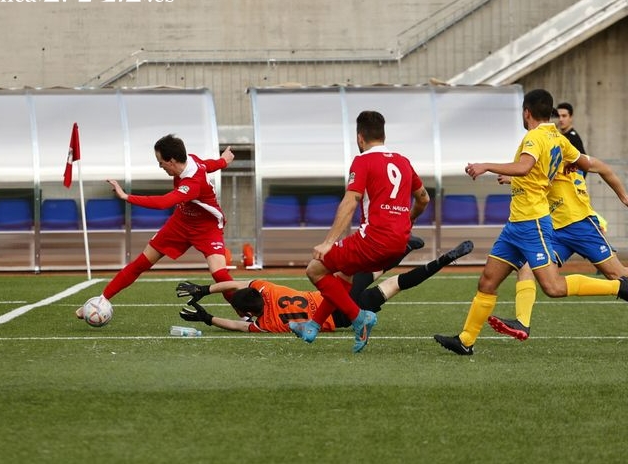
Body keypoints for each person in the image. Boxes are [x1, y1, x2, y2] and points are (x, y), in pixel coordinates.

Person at [433, 88, 628, 356]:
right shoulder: (558, 138)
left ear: (527, 112)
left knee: (553, 287)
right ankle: (466, 340)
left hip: (533, 222)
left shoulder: (534, 137)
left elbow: (524, 167)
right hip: (516, 224)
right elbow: (583, 165)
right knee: (487, 280)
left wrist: (485, 165)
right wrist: (622, 195)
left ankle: (617, 286)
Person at [488, 154, 628, 341]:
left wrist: (624, 197)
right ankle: (522, 323)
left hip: (582, 227)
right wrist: (514, 179)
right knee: (527, 266)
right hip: (555, 231)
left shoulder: (562, 156)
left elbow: (603, 167)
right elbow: (536, 178)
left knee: (619, 274)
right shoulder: (545, 158)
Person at [289, 110, 430, 353]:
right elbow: (424, 199)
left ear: (359, 137)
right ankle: (312, 325)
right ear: (383, 135)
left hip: (373, 240)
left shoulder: (363, 161)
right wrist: (408, 220)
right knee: (344, 275)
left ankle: (359, 318)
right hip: (398, 243)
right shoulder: (403, 162)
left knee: (315, 269)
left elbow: (351, 200)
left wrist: (328, 242)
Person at [76, 134, 236, 318]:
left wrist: (126, 197)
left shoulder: (192, 183)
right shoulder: (190, 159)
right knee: (140, 263)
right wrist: (223, 160)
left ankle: (246, 315)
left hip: (206, 227)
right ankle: (101, 301)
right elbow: (209, 164)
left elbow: (163, 202)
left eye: (161, 162)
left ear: (172, 161)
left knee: (220, 275)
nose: (160, 166)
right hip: (181, 222)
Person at [176, 241, 474, 333]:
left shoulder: (265, 324)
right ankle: (404, 248)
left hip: (340, 314)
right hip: (332, 293)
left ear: (248, 312)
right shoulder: (265, 287)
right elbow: (236, 282)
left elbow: (238, 326)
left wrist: (207, 318)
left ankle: (441, 261)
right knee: (375, 268)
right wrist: (204, 288)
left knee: (395, 285)